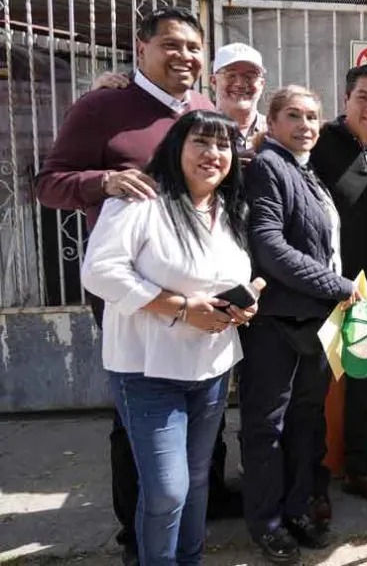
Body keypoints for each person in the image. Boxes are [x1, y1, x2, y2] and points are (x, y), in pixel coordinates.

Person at [34, 7, 217, 566]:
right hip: (132, 296)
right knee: (138, 415)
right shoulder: (103, 107)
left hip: (202, 302)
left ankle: (181, 533)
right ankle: (137, 539)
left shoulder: (202, 110)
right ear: (140, 49)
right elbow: (47, 183)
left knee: (198, 414)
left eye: (193, 46)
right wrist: (103, 180)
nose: (184, 55)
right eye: (171, 44)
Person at [79, 110, 255, 566]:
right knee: (166, 489)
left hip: (212, 368)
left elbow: (233, 278)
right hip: (146, 370)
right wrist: (178, 308)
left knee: (197, 481)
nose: (213, 154)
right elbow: (99, 272)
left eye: (223, 146)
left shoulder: (229, 210)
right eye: (201, 141)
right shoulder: (140, 200)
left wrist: (244, 303)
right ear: (176, 146)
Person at [240, 86, 362, 564]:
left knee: (303, 423)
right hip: (277, 322)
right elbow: (269, 246)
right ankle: (266, 523)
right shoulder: (270, 166)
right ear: (271, 123)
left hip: (313, 322)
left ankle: (295, 510)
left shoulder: (304, 171)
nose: (306, 125)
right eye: (293, 115)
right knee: (266, 426)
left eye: (312, 116)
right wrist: (338, 286)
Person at [308, 64, 367, 508]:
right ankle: (309, 483)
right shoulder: (318, 145)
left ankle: (360, 471)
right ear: (345, 100)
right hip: (321, 289)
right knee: (313, 390)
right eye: (364, 97)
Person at [90, 42, 268, 156]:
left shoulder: (275, 131)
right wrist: (101, 94)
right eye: (230, 75)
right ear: (213, 81)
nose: (240, 83)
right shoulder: (190, 126)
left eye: (250, 76)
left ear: (262, 83)